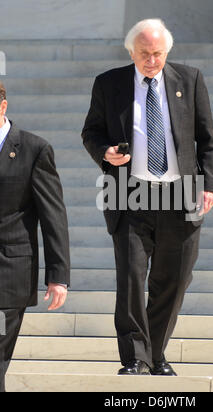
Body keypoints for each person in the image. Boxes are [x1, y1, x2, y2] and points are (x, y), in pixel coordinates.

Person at [82, 19, 213, 376]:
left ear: (167, 51)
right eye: (144, 53)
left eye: (157, 53)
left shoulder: (189, 80)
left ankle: (155, 355)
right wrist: (105, 152)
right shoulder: (109, 84)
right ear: (131, 52)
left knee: (172, 282)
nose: (152, 60)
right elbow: (91, 131)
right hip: (130, 193)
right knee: (130, 277)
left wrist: (210, 185)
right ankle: (135, 358)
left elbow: (207, 139)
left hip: (181, 193)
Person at [0, 81, 70, 392]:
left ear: (2, 106)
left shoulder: (33, 149)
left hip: (8, 273)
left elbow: (53, 216)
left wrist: (58, 276)